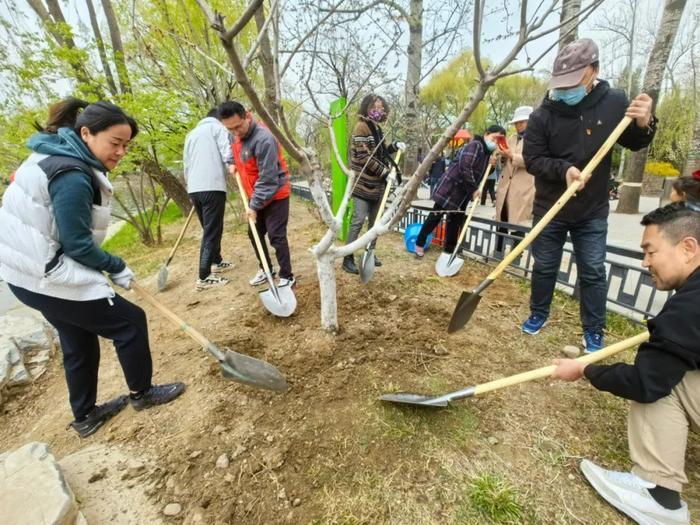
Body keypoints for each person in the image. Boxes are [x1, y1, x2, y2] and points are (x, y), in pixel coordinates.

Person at [0, 98, 185, 438]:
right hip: (45, 274)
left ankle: (86, 415)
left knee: (78, 337)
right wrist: (116, 266)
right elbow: (79, 245)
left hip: (23, 274)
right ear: (86, 133)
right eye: (115, 143)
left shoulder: (55, 153)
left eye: (126, 145)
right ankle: (143, 393)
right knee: (129, 322)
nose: (121, 152)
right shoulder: (71, 173)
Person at [552, 203, 699, 525]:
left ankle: (659, 497)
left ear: (688, 249)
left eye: (651, 251)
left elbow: (645, 383)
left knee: (665, 383)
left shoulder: (688, 307)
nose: (645, 263)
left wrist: (585, 370)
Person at [522, 38, 657, 352]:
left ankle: (594, 330)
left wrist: (643, 122)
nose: (565, 90)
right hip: (551, 206)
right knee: (544, 265)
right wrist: (565, 170)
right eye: (561, 84)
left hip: (591, 209)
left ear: (592, 71)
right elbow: (533, 159)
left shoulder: (613, 102)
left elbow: (636, 143)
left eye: (573, 83)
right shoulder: (543, 114)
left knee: (593, 270)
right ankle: (538, 313)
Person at [222, 101, 295, 288]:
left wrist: (253, 206)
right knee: (254, 233)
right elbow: (233, 151)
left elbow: (268, 178)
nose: (235, 132)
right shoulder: (233, 134)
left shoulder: (264, 139)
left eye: (238, 126)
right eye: (230, 129)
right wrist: (231, 162)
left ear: (247, 116)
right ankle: (266, 268)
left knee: (276, 235)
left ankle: (287, 276)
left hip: (275, 193)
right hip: (253, 193)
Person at [414, 125, 506, 258]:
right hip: (451, 189)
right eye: (494, 138)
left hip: (463, 193)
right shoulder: (475, 145)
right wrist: (474, 189)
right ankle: (419, 243)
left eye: (498, 141)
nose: (495, 142)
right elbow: (465, 167)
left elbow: (482, 173)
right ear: (486, 134)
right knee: (435, 217)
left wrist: (490, 165)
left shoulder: (487, 153)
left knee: (455, 222)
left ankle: (448, 251)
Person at [342, 94, 403, 275]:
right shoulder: (361, 127)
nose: (379, 111)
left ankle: (370, 252)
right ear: (367, 108)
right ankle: (348, 257)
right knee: (358, 221)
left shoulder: (376, 128)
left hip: (377, 185)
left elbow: (381, 152)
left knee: (375, 223)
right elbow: (363, 156)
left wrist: (394, 146)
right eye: (376, 107)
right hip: (363, 184)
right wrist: (385, 172)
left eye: (381, 108)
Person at [183, 107, 235, 291]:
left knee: (209, 228)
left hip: (195, 188)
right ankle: (204, 276)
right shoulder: (217, 128)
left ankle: (216, 261)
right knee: (212, 232)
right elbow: (226, 150)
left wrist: (191, 188)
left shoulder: (191, 134)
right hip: (212, 186)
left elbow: (186, 163)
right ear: (220, 119)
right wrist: (232, 165)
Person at [495, 106, 535, 254]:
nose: (519, 126)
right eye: (517, 123)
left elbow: (532, 161)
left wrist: (512, 155)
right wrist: (502, 156)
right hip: (506, 185)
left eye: (522, 122)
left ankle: (515, 255)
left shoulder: (536, 140)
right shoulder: (511, 138)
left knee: (518, 222)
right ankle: (498, 251)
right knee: (502, 218)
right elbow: (506, 160)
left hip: (522, 187)